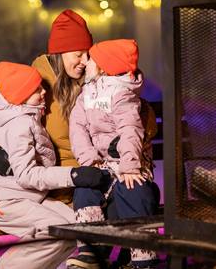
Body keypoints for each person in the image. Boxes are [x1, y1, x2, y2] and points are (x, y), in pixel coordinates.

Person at [0, 9, 158, 269]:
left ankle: (101, 258)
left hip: (90, 180)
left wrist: (130, 137)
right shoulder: (38, 85)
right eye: (78, 54)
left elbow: (133, 112)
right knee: (79, 224)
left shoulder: (96, 80)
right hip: (62, 184)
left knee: (109, 208)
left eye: (89, 54)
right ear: (60, 53)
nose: (85, 61)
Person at [0, 61, 108, 269]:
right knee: (57, 230)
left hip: (28, 196)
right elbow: (26, 175)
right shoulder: (19, 125)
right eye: (35, 89)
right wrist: (73, 175)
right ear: (21, 96)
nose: (43, 92)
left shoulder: (28, 117)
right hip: (3, 201)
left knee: (75, 227)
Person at [66, 39, 159, 269]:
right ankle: (90, 248)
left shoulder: (121, 94)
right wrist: (89, 159)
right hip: (102, 165)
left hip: (129, 166)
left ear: (104, 67)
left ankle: (142, 257)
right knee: (85, 190)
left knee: (134, 192)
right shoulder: (86, 93)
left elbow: (130, 130)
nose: (86, 62)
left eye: (91, 59)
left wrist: (129, 165)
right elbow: (77, 128)